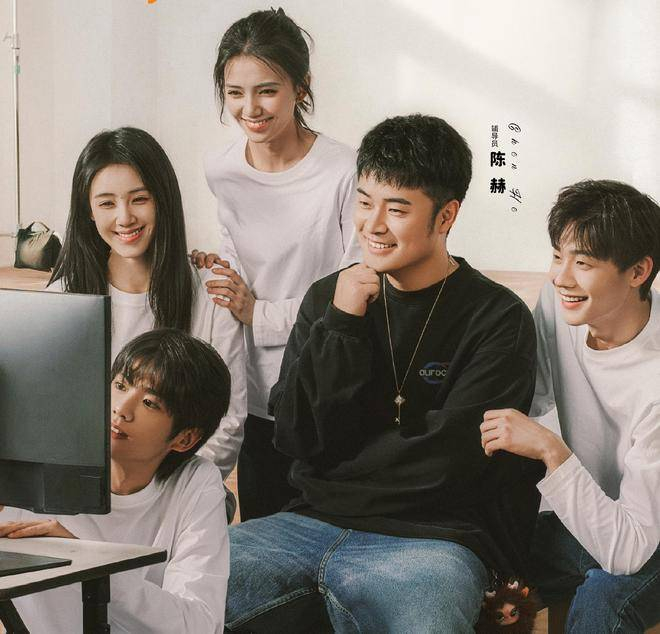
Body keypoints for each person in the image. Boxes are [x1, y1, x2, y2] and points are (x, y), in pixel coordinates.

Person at [224, 114, 545, 633]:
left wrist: (336, 466)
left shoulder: (497, 318)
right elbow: (295, 435)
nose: (372, 225)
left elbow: (452, 460)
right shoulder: (329, 299)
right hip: (301, 524)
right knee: (172, 596)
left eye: (396, 209)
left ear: (446, 216)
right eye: (365, 201)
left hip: (431, 541)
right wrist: (343, 324)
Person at [194, 8, 360, 520]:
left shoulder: (344, 170)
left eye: (266, 90)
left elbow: (358, 287)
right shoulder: (221, 169)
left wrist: (258, 313)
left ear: (300, 87)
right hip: (253, 394)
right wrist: (215, 271)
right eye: (235, 93)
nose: (250, 108)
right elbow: (240, 266)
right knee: (262, 537)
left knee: (329, 536)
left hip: (326, 387)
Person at [480, 180, 660, 633]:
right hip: (599, 519)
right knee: (481, 568)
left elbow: (629, 552)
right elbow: (532, 394)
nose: (561, 277)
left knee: (605, 595)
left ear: (638, 271)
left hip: (649, 537)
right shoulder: (561, 305)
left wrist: (552, 450)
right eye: (558, 256)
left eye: (583, 263)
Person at [49, 127, 246, 488]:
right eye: (107, 203)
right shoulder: (63, 298)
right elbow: (54, 416)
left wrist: (155, 490)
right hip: (89, 487)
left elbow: (226, 423)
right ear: (88, 211)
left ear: (162, 200)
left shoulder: (210, 292)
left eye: (139, 199)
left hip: (181, 488)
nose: (125, 217)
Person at [0, 329, 231, 633]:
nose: (121, 409)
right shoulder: (31, 459)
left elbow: (199, 626)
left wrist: (89, 564)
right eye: (120, 386)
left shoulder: (195, 482)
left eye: (149, 403)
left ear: (184, 438)